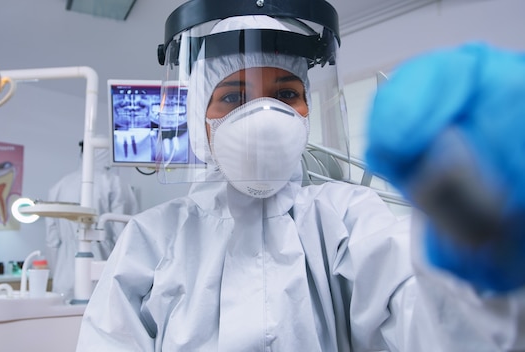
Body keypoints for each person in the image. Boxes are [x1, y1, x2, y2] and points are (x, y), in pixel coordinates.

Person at [76, 1, 525, 351]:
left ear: (308, 108)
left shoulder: (350, 218)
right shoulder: (150, 241)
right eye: (233, 97)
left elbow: (429, 327)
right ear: (199, 119)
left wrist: (481, 272)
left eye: (286, 94)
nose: (264, 116)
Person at [45, 142, 139, 300]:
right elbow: (123, 235)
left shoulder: (60, 186)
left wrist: (58, 271)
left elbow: (51, 241)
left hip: (64, 272)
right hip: (102, 266)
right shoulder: (113, 183)